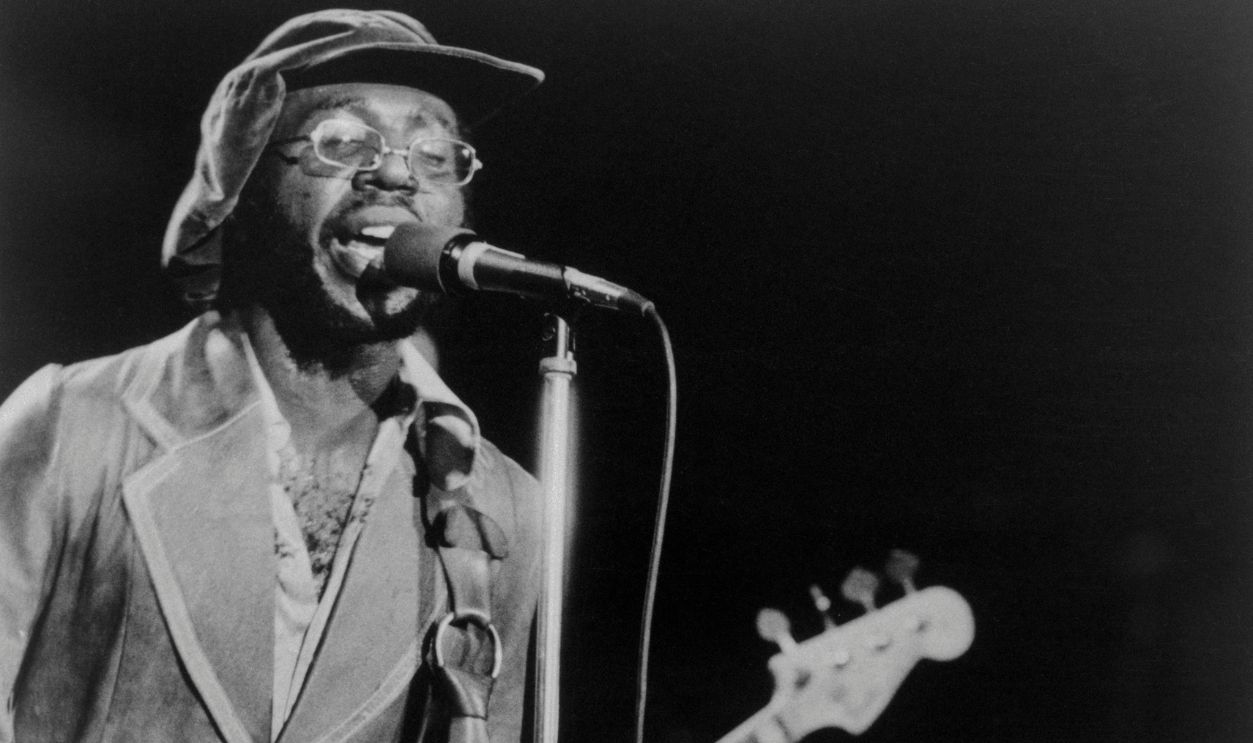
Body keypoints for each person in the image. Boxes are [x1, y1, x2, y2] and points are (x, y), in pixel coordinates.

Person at [0, 9, 545, 743]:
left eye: (435, 152)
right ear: (242, 188)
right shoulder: (71, 424)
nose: (394, 171)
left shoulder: (499, 507)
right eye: (342, 141)